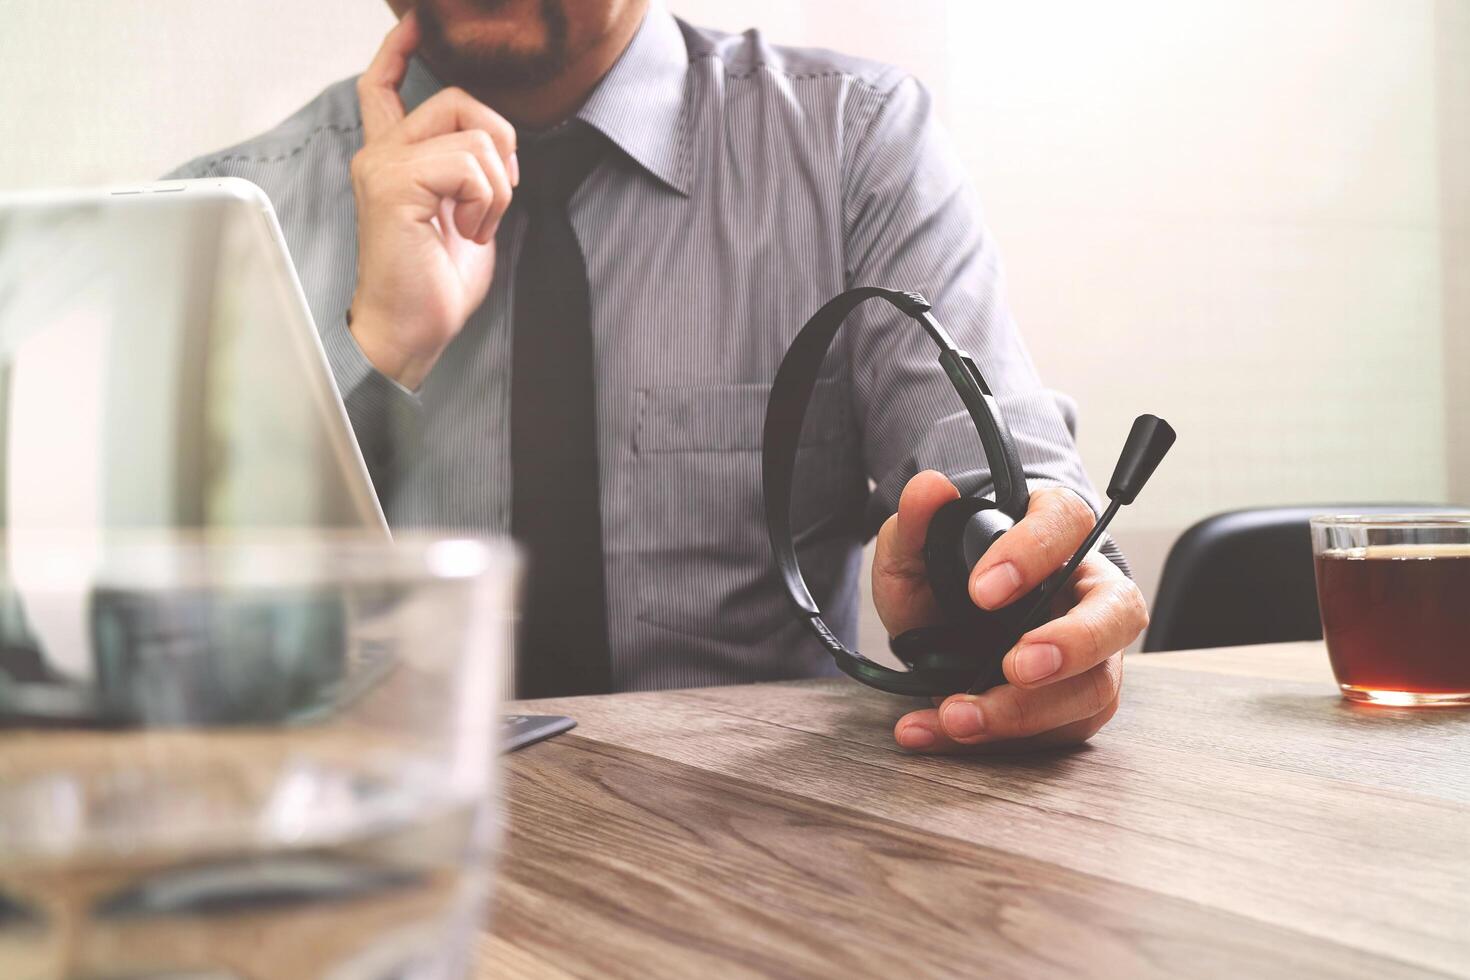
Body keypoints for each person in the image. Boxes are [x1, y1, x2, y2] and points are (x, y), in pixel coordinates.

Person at [167, 0, 1147, 753]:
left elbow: (994, 481)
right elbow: (151, 656)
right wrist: (374, 345)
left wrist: (1036, 593)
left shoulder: (856, 146)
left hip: (761, 867)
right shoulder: (217, 216)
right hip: (367, 868)